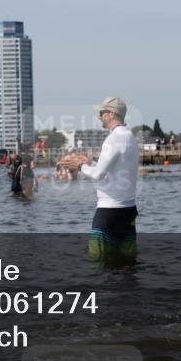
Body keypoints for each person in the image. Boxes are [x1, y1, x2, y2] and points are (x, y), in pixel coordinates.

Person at [59, 98, 139, 263]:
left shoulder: (113, 139)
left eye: (102, 113)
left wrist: (79, 166)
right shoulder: (130, 137)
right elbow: (113, 170)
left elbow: (98, 175)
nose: (99, 116)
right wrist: (90, 163)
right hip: (129, 210)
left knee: (99, 263)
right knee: (128, 265)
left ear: (111, 114)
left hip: (109, 211)